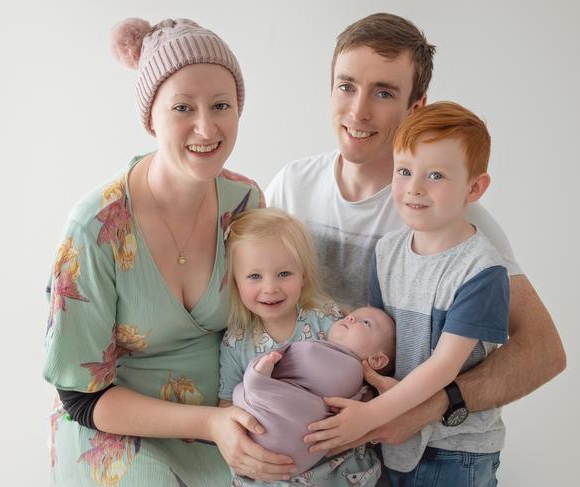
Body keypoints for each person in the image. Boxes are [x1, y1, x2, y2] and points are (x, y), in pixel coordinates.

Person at [266, 11, 565, 483]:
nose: (358, 111)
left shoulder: (452, 218)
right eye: (346, 86)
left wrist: (431, 406)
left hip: (413, 448)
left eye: (383, 93)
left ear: (416, 107)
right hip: (319, 444)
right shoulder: (290, 188)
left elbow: (544, 352)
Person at [43, 18, 298, 486]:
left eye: (221, 105)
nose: (206, 126)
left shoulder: (247, 203)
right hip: (119, 427)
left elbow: (268, 322)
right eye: (183, 107)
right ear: (151, 118)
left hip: (229, 415)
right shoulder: (94, 228)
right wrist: (210, 424)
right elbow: (81, 398)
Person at [308, 101, 510, 484]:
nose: (414, 188)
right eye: (404, 171)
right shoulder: (387, 252)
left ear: (474, 187)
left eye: (435, 175)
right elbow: (380, 339)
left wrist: (370, 414)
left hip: (456, 449)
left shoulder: (481, 269)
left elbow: (443, 366)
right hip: (391, 436)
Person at [218, 208, 381, 486]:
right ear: (235, 280)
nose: (270, 288)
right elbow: (227, 405)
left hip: (335, 458)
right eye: (254, 277)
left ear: (303, 275)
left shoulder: (323, 318)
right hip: (277, 467)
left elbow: (355, 370)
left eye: (284, 273)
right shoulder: (237, 340)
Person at [234, 306, 395, 475]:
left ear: (376, 360)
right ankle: (259, 386)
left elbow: (308, 363)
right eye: (351, 316)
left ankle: (259, 384)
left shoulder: (351, 369)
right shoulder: (329, 351)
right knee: (244, 390)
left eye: (366, 322)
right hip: (278, 443)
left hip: (288, 431)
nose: (351, 318)